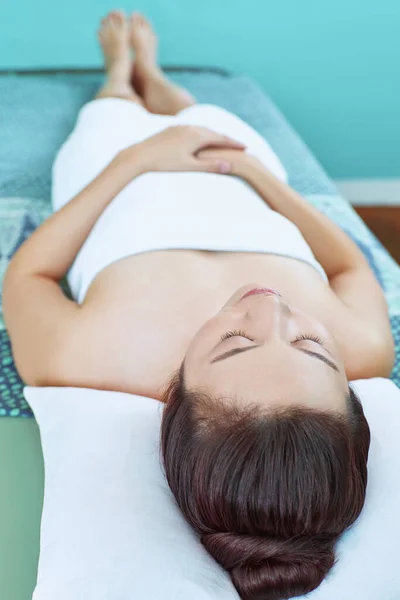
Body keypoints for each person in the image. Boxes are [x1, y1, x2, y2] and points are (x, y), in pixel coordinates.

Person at [3, 11, 394, 600]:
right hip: (241, 178)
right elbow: (346, 264)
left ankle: (119, 72)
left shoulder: (88, 359)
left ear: (174, 395)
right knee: (202, 115)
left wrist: (133, 161)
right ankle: (156, 76)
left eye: (234, 342)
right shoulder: (365, 347)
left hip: (127, 179)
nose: (270, 307)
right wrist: (263, 177)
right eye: (311, 345)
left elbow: (28, 273)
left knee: (109, 112)